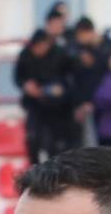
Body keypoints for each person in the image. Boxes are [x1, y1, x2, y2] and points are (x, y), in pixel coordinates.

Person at [16, 27, 77, 165]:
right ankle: (34, 170)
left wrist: (60, 90)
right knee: (32, 138)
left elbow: (71, 78)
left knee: (55, 143)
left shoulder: (60, 55)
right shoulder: (26, 55)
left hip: (57, 108)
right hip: (34, 105)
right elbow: (18, 77)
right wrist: (26, 86)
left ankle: (53, 174)